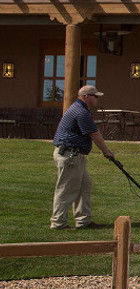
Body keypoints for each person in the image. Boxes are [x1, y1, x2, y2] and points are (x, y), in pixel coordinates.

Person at [50, 85, 115, 230]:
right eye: (95, 96)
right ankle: (58, 223)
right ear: (87, 97)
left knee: (84, 185)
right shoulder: (80, 112)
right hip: (70, 155)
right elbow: (95, 134)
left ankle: (83, 221)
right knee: (66, 189)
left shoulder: (78, 109)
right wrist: (107, 152)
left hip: (74, 155)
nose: (97, 99)